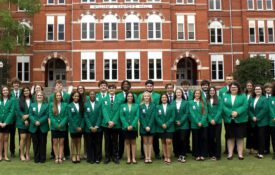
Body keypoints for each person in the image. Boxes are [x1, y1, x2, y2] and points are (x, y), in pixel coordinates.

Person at [223, 82, 248, 160]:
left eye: (235, 87)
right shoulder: (225, 95)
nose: (233, 88)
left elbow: (245, 106)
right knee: (230, 137)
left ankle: (240, 154)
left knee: (240, 137)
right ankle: (230, 154)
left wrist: (237, 112)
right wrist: (230, 113)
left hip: (240, 120)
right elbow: (223, 106)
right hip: (229, 120)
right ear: (229, 88)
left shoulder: (243, 96)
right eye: (232, 87)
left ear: (238, 88)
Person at [138, 80, 161, 160]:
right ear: (145, 87)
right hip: (144, 123)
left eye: (151, 86)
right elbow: (139, 109)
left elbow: (158, 107)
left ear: (153, 86)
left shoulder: (158, 95)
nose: (149, 87)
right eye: (148, 86)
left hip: (154, 122)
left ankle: (157, 153)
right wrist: (144, 125)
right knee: (143, 140)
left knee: (155, 139)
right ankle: (143, 154)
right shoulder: (141, 95)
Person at [49, 80, 70, 160]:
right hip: (55, 123)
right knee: (54, 140)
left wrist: (63, 122)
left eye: (60, 85)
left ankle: (65, 154)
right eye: (57, 85)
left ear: (62, 86)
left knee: (64, 139)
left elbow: (68, 108)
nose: (59, 86)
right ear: (55, 86)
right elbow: (50, 110)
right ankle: (54, 154)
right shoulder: (51, 97)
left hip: (63, 122)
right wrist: (54, 123)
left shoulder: (67, 96)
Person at [116, 80, 137, 159]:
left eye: (127, 84)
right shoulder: (118, 96)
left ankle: (132, 155)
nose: (125, 85)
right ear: (122, 86)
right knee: (121, 139)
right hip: (121, 121)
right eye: (124, 84)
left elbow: (136, 106)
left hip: (132, 122)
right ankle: (120, 154)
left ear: (129, 86)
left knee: (132, 139)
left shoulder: (134, 95)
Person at [248, 85, 269, 159]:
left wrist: (257, 117)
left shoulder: (265, 99)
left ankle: (261, 153)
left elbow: (265, 110)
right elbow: (249, 109)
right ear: (254, 90)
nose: (257, 90)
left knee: (261, 137)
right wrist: (252, 116)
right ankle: (257, 150)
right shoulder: (251, 98)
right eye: (256, 89)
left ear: (262, 90)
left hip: (262, 122)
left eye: (259, 89)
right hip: (253, 121)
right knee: (256, 136)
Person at [102, 84, 121, 164]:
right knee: (107, 141)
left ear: (115, 90)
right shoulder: (104, 99)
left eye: (113, 88)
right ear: (108, 90)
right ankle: (107, 157)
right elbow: (104, 110)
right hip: (106, 124)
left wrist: (113, 121)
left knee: (115, 141)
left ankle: (115, 156)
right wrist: (108, 121)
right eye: (110, 88)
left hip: (115, 124)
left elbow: (119, 111)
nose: (111, 90)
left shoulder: (119, 99)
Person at [29, 91, 49, 163]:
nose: (39, 96)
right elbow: (30, 115)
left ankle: (42, 158)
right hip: (34, 127)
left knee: (43, 143)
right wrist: (35, 121)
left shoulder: (46, 105)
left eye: (41, 95)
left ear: (43, 97)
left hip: (43, 126)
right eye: (38, 95)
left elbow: (47, 115)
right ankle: (36, 158)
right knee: (35, 143)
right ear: (36, 97)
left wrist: (39, 121)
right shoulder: (32, 105)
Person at [189, 89, 208, 161]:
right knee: (195, 140)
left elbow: (205, 113)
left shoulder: (203, 102)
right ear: (194, 94)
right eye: (196, 93)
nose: (197, 95)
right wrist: (197, 122)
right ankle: (196, 155)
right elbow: (191, 113)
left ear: (200, 95)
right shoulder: (190, 102)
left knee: (203, 139)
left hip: (204, 124)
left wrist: (201, 122)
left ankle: (203, 154)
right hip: (195, 124)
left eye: (198, 93)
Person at [120, 92, 139, 164]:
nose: (130, 97)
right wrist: (127, 125)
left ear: (133, 97)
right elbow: (122, 116)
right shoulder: (122, 106)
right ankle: (128, 158)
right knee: (127, 143)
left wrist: (132, 125)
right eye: (128, 96)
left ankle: (133, 158)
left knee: (133, 143)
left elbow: (137, 116)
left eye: (131, 96)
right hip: (125, 127)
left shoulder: (136, 105)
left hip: (133, 128)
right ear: (126, 97)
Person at [155, 94, 175, 164]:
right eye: (162, 97)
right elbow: (156, 117)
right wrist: (162, 124)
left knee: (168, 141)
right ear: (161, 99)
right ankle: (165, 156)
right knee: (163, 142)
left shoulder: (171, 106)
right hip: (161, 128)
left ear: (167, 98)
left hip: (169, 127)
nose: (164, 98)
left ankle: (169, 157)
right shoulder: (157, 107)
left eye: (165, 97)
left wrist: (167, 124)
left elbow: (173, 117)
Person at [84, 91, 102, 164]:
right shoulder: (85, 104)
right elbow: (85, 116)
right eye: (91, 94)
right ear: (89, 95)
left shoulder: (99, 104)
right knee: (89, 143)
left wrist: (96, 126)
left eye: (93, 94)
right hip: (89, 128)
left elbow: (100, 116)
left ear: (95, 95)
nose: (92, 95)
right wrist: (90, 126)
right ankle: (90, 158)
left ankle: (97, 157)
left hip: (98, 128)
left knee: (97, 143)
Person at [172, 88, 189, 163]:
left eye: (180, 92)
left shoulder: (186, 102)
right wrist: (176, 121)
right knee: (176, 140)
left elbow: (186, 113)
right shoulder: (172, 103)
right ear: (175, 94)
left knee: (183, 139)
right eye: (177, 92)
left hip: (184, 124)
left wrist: (181, 121)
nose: (178, 94)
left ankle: (183, 154)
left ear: (182, 94)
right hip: (175, 124)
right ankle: (178, 154)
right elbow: (171, 113)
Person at [218, 74, 234, 154]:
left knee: (236, 132)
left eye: (231, 79)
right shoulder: (221, 91)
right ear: (225, 80)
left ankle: (235, 149)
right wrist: (228, 112)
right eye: (228, 79)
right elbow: (221, 103)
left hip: (236, 115)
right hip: (226, 115)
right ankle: (228, 149)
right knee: (228, 132)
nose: (229, 80)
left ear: (233, 80)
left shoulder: (236, 89)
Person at [68, 91, 84, 163]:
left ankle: (78, 155)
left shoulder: (81, 105)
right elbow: (70, 117)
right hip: (73, 127)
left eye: (78, 96)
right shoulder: (69, 106)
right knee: (73, 141)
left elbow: (83, 116)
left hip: (80, 126)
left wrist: (81, 126)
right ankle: (73, 155)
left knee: (79, 140)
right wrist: (75, 127)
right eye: (75, 96)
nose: (76, 97)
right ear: (72, 97)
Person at [139, 92, 156, 163]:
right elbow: (141, 117)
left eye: (148, 96)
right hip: (143, 127)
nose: (146, 97)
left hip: (151, 127)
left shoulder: (153, 105)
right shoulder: (140, 106)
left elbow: (153, 116)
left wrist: (149, 126)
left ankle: (149, 157)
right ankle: (146, 157)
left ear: (150, 97)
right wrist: (145, 126)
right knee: (145, 142)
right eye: (145, 96)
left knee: (150, 142)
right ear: (143, 97)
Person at [16, 87, 32, 161]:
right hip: (22, 122)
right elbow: (18, 111)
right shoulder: (19, 100)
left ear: (29, 91)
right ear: (23, 92)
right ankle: (21, 154)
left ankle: (27, 153)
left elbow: (33, 111)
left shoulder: (33, 100)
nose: (26, 92)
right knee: (23, 138)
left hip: (31, 122)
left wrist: (28, 116)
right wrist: (24, 120)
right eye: (24, 91)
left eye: (27, 90)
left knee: (29, 138)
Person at [207, 87, 222, 160]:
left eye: (213, 90)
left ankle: (217, 155)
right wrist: (210, 119)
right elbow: (206, 111)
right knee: (211, 138)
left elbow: (220, 110)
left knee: (217, 138)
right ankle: (211, 154)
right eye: (210, 90)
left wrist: (215, 119)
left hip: (217, 122)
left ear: (215, 91)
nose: (212, 92)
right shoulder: (206, 100)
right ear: (209, 92)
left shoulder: (219, 99)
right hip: (209, 122)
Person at [0, 86, 15, 161]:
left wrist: (6, 122)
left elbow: (11, 112)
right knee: (0, 139)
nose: (5, 91)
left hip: (7, 123)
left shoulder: (12, 100)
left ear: (8, 91)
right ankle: (0, 155)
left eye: (6, 90)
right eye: (4, 90)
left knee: (6, 139)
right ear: (2, 91)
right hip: (0, 123)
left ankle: (6, 155)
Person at [77, 85, 89, 160]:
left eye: (81, 88)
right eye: (79, 89)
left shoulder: (87, 98)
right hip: (78, 121)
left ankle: (86, 153)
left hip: (85, 120)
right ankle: (78, 154)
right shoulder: (76, 97)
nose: (80, 90)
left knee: (86, 138)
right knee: (78, 139)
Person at [10, 78, 21, 158]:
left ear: (19, 84)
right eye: (14, 83)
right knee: (12, 135)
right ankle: (12, 151)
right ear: (12, 85)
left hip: (20, 117)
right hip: (12, 118)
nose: (16, 85)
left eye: (17, 83)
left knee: (22, 136)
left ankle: (21, 151)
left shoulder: (22, 93)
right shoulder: (10, 94)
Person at [181, 80, 193, 154]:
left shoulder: (192, 94)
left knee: (190, 134)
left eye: (187, 85)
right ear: (182, 86)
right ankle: (184, 148)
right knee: (184, 134)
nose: (185, 86)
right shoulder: (179, 94)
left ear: (189, 86)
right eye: (184, 85)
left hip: (191, 117)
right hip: (183, 117)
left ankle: (189, 148)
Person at [245, 81, 257, 154]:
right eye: (248, 85)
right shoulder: (244, 94)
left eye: (250, 85)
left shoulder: (254, 95)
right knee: (248, 133)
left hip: (252, 117)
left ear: (252, 86)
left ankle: (255, 148)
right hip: (245, 117)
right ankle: (248, 148)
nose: (249, 87)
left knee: (254, 132)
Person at [264, 82, 273, 154]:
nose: (268, 89)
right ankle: (266, 150)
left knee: (273, 137)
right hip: (264, 120)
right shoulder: (263, 97)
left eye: (269, 87)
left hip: (272, 120)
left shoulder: (273, 97)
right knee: (265, 136)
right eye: (266, 87)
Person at [269, 82, 275, 159]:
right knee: (274, 138)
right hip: (273, 122)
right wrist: (274, 117)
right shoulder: (271, 98)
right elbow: (270, 109)